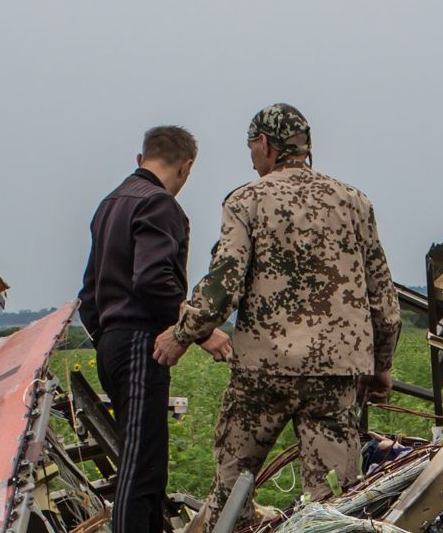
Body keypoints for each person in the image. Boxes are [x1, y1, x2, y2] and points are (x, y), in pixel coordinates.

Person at [155, 103, 398, 501]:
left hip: (262, 372)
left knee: (233, 489)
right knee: (334, 500)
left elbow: (224, 284)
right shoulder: (354, 203)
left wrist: (182, 335)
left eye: (251, 148)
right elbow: (382, 297)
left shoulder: (245, 201)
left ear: (265, 144)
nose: (252, 160)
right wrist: (381, 365)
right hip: (334, 374)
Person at [76, 125, 196, 533]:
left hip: (109, 339)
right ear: (186, 166)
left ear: (141, 155)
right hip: (141, 339)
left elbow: (89, 291)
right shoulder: (159, 203)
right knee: (141, 464)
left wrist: (106, 334)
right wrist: (195, 330)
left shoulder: (110, 203)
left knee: (142, 456)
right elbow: (153, 279)